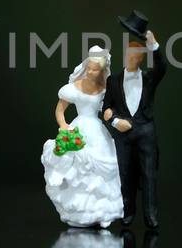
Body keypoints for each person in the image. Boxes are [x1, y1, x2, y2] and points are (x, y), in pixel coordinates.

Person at [41, 46, 123, 227]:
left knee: (100, 168)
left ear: (102, 70)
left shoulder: (104, 89)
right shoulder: (74, 87)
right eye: (90, 68)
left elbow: (109, 109)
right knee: (76, 165)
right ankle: (75, 208)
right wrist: (64, 126)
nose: (91, 72)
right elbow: (60, 110)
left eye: (95, 69)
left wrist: (112, 115)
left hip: (96, 130)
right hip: (78, 127)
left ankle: (98, 212)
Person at [100, 10, 167, 227]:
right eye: (128, 55)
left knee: (149, 175)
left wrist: (154, 45)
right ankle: (127, 212)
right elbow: (106, 108)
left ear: (141, 59)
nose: (130, 59)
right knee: (125, 173)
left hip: (146, 131)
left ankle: (151, 215)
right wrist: (114, 121)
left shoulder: (149, 79)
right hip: (124, 135)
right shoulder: (113, 81)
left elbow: (162, 67)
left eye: (135, 57)